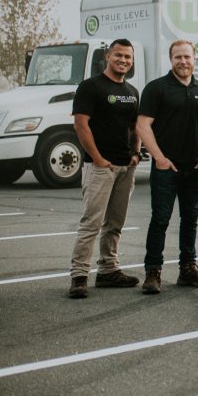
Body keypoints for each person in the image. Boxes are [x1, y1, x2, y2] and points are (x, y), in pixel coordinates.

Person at [135, 39, 198, 295]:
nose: (183, 61)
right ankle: (153, 271)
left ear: (194, 59)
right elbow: (142, 125)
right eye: (178, 57)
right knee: (160, 219)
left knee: (190, 219)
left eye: (187, 57)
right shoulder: (157, 88)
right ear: (171, 60)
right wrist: (158, 157)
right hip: (166, 167)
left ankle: (187, 269)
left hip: (195, 167)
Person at [67, 39, 142, 299]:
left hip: (125, 167)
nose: (123, 60)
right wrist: (97, 158)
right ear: (107, 56)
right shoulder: (91, 87)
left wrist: (135, 153)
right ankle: (79, 276)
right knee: (91, 223)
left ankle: (109, 271)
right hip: (100, 167)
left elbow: (135, 127)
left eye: (128, 57)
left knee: (115, 224)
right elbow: (81, 125)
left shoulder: (132, 91)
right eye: (118, 55)